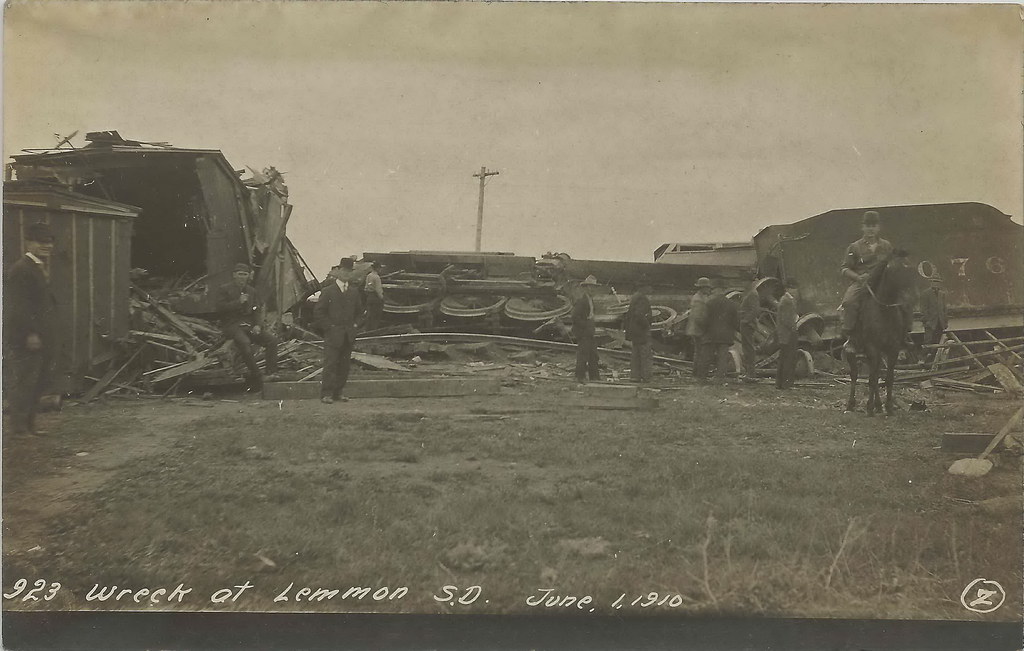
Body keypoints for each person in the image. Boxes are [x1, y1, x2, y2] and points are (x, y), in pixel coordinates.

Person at [4, 222, 58, 436]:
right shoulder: (21, 269)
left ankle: (29, 425)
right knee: (26, 381)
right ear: (29, 242)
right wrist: (31, 333)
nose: (47, 246)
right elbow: (19, 306)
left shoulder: (37, 267)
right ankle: (19, 428)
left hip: (41, 335)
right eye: (41, 241)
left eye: (50, 242)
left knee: (38, 380)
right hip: (27, 336)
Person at [215, 262, 279, 389]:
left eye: (245, 274)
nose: (242, 277)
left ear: (249, 276)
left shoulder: (252, 291)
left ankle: (271, 373)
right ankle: (257, 375)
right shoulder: (224, 289)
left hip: (248, 326)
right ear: (234, 275)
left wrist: (258, 325)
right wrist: (238, 302)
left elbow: (256, 310)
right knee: (245, 343)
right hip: (231, 325)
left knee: (271, 340)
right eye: (240, 274)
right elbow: (219, 308)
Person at [839, 210, 895, 354]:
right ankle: (850, 337)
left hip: (883, 282)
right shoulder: (854, 247)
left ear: (879, 227)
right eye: (868, 225)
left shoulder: (886, 245)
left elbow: (892, 263)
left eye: (874, 225)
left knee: (902, 299)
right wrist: (858, 277)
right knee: (849, 302)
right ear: (862, 227)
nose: (871, 229)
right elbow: (845, 268)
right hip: (862, 282)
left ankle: (903, 335)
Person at [315, 257, 365, 403]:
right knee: (330, 364)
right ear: (338, 271)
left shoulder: (354, 292)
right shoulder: (328, 291)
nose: (346, 274)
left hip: (348, 335)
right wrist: (329, 327)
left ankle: (338, 393)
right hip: (333, 335)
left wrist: (355, 325)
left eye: (349, 271)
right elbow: (319, 312)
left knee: (344, 366)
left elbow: (360, 313)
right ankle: (327, 394)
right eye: (344, 271)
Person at [703, 280, 740, 384]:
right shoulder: (731, 304)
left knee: (707, 356)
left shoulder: (709, 302)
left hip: (711, 334)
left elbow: (705, 319)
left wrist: (704, 331)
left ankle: (703, 377)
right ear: (723, 290)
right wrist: (734, 330)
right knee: (722, 357)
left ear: (716, 290)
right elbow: (736, 321)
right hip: (725, 335)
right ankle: (720, 378)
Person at [572, 275, 600, 383]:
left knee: (593, 354)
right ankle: (580, 377)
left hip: (589, 331)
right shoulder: (582, 301)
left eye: (594, 287)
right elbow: (575, 317)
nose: (593, 289)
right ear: (586, 287)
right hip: (584, 332)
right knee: (583, 354)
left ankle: (595, 377)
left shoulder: (590, 300)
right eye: (591, 287)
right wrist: (586, 327)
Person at [624, 285, 653, 383]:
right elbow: (639, 314)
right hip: (641, 331)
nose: (651, 289)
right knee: (645, 354)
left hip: (634, 331)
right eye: (649, 287)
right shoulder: (642, 298)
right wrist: (647, 324)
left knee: (636, 354)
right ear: (644, 288)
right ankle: (646, 377)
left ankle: (635, 376)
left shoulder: (635, 297)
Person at [687, 277, 713, 380]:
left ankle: (697, 373)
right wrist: (706, 327)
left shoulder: (701, 297)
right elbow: (698, 317)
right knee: (701, 352)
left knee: (699, 351)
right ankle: (698, 373)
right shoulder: (699, 300)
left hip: (697, 329)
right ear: (702, 288)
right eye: (707, 288)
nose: (709, 289)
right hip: (699, 329)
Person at [776, 279, 800, 390]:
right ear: (787, 289)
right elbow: (786, 319)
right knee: (789, 359)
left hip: (784, 334)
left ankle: (780, 384)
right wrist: (793, 328)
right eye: (792, 288)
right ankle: (786, 384)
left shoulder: (786, 299)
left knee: (784, 359)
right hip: (788, 334)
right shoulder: (787, 301)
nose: (795, 290)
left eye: (795, 288)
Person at [738, 274, 762, 383]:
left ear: (749, 282)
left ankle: (751, 374)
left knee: (749, 349)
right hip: (745, 324)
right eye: (742, 281)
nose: (743, 283)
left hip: (748, 325)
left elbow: (756, 310)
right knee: (747, 349)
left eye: (744, 281)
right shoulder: (747, 293)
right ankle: (749, 373)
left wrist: (746, 320)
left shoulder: (752, 293)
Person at [919, 274, 948, 362]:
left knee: (938, 342)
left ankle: (933, 360)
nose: (936, 284)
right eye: (934, 281)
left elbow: (944, 309)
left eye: (938, 282)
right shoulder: (925, 293)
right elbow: (923, 309)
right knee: (928, 341)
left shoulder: (942, 294)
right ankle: (922, 360)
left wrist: (945, 322)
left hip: (940, 323)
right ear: (931, 282)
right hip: (930, 323)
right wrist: (927, 321)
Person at [364, 261, 384, 331]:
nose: (381, 270)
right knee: (376, 316)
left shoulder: (369, 275)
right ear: (377, 268)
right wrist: (382, 298)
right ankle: (373, 331)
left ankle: (367, 330)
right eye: (380, 268)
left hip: (369, 297)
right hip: (376, 298)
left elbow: (366, 288)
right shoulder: (377, 277)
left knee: (369, 315)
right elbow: (378, 289)